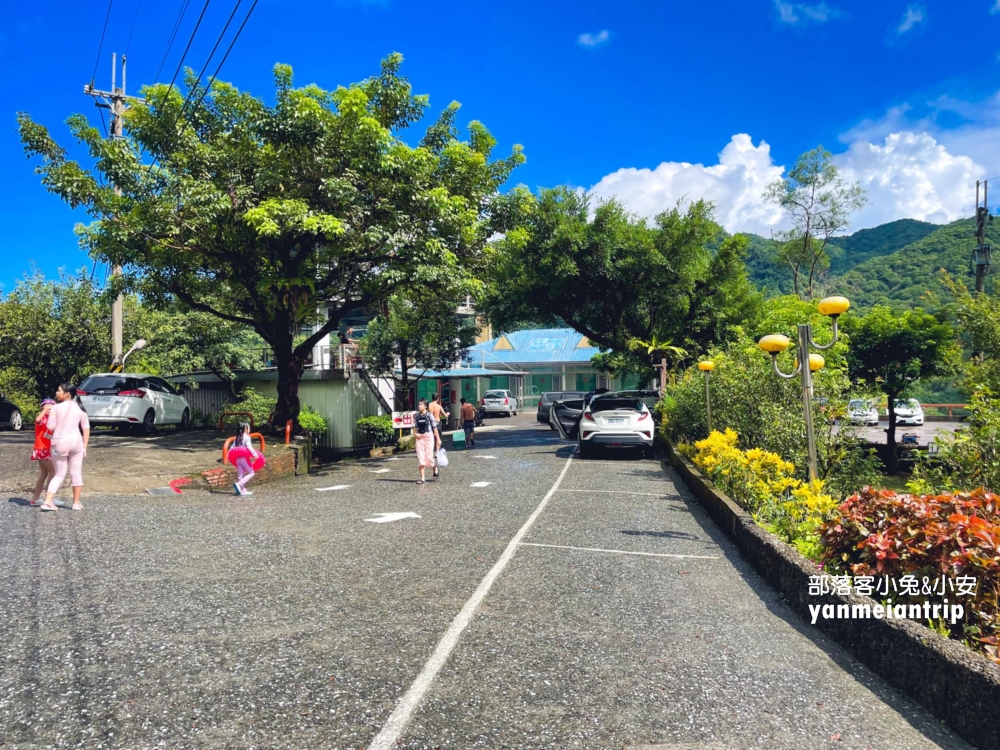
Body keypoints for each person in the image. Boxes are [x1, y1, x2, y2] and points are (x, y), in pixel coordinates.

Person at [38, 383, 90, 512]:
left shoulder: (56, 408)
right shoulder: (81, 409)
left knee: (59, 474)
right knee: (76, 473)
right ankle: (76, 503)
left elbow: (50, 426)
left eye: (58, 391)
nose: (56, 393)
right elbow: (86, 428)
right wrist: (85, 446)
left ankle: (48, 501)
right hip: (76, 443)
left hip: (59, 443)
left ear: (67, 394)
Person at [29, 398, 57, 506]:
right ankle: (50, 498)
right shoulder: (42, 419)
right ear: (42, 407)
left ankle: (35, 499)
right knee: (53, 472)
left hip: (45, 449)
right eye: (47, 406)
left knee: (44, 473)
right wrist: (45, 410)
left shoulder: (52, 420)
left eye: (51, 407)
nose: (49, 409)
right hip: (41, 449)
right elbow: (37, 419)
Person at [228, 422, 265, 496]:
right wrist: (255, 455)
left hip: (237, 459)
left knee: (240, 475)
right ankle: (239, 484)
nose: (250, 429)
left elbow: (232, 448)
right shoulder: (246, 437)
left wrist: (227, 454)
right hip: (244, 458)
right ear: (246, 428)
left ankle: (243, 490)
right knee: (251, 473)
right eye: (249, 428)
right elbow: (249, 447)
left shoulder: (237, 437)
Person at [413, 399, 441, 484]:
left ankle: (435, 467)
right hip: (419, 438)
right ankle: (422, 478)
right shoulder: (416, 416)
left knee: (429, 456)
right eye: (419, 404)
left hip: (428, 436)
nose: (419, 406)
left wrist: (438, 439)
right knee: (421, 457)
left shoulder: (430, 416)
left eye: (421, 405)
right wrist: (415, 434)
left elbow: (434, 428)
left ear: (425, 406)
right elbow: (415, 428)